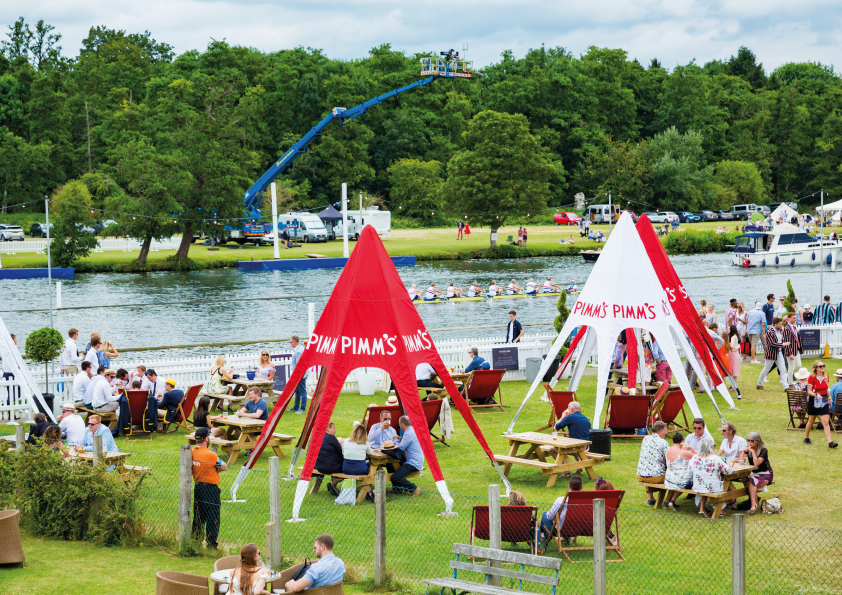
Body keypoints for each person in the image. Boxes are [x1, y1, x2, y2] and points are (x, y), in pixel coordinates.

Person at [191, 427, 227, 548]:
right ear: (206, 439)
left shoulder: (192, 452)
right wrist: (217, 468)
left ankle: (195, 541)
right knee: (213, 517)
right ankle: (212, 544)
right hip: (211, 489)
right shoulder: (211, 455)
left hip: (198, 487)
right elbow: (224, 466)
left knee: (198, 515)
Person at [690, 437, 732, 517]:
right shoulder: (715, 458)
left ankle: (702, 508)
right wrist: (731, 463)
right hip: (713, 488)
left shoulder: (694, 458)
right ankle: (719, 509)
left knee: (705, 485)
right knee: (712, 485)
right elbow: (728, 471)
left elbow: (689, 473)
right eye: (714, 445)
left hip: (698, 487)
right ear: (711, 447)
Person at [804, 360, 838, 448]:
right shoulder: (811, 377)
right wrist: (816, 394)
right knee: (811, 421)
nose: (822, 367)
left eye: (823, 366)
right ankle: (806, 438)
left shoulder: (826, 376)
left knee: (825, 422)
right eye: (820, 366)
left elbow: (826, 389)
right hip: (814, 400)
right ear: (815, 368)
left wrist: (830, 399)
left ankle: (830, 443)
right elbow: (809, 391)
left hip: (824, 400)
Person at [540, 475, 582, 543]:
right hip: (579, 529)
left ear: (569, 486)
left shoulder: (561, 500)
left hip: (561, 530)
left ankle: (544, 536)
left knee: (545, 514)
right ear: (582, 487)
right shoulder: (587, 501)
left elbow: (550, 517)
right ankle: (544, 536)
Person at [738, 432, 772, 515]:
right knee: (748, 481)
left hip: (766, 474)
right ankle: (754, 503)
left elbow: (757, 464)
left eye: (752, 441)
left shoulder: (763, 450)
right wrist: (743, 452)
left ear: (757, 441)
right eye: (748, 440)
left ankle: (753, 505)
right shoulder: (748, 448)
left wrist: (753, 452)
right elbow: (741, 462)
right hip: (755, 474)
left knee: (751, 482)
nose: (750, 442)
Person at [637, 421, 669, 506]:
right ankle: (668, 501)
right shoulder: (663, 442)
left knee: (649, 467)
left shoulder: (645, 438)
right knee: (674, 476)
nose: (666, 433)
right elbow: (670, 459)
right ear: (661, 431)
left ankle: (650, 499)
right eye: (665, 430)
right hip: (656, 478)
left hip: (640, 476)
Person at [390, 416, 424, 495]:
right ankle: (397, 489)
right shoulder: (412, 430)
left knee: (395, 477)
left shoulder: (408, 433)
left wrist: (395, 440)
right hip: (417, 460)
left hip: (413, 462)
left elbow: (401, 447)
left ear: (402, 424)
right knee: (392, 467)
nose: (399, 425)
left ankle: (414, 489)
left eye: (399, 424)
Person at [663, 432, 695, 510]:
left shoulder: (667, 450)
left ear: (672, 441)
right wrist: (691, 447)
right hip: (680, 480)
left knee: (679, 482)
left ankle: (669, 502)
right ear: (682, 442)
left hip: (668, 479)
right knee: (689, 482)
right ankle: (671, 501)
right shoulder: (684, 453)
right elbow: (699, 456)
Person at [756, 317, 789, 391]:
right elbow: (772, 344)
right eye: (780, 324)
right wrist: (784, 344)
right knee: (766, 369)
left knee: (783, 370)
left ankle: (786, 387)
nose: (781, 325)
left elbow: (780, 340)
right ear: (775, 324)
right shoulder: (770, 332)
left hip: (779, 352)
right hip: (771, 354)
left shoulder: (779, 331)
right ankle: (759, 384)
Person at [317, 422, 345, 495]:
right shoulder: (331, 437)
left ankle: (334, 488)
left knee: (333, 462)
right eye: (333, 428)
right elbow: (341, 453)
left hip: (319, 466)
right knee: (349, 468)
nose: (335, 430)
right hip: (330, 467)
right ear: (327, 430)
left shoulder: (320, 438)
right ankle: (332, 484)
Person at [782, 311, 803, 386]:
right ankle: (790, 383)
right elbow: (786, 341)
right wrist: (789, 353)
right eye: (793, 318)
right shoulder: (787, 328)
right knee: (791, 366)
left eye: (795, 318)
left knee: (798, 366)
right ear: (788, 319)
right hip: (790, 350)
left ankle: (785, 377)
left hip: (796, 349)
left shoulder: (794, 327)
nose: (795, 319)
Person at [290, 335, 309, 413]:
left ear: (294, 342)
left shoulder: (298, 351)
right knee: (297, 391)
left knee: (302, 391)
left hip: (300, 375)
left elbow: (299, 365)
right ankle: (296, 407)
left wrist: (298, 376)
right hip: (300, 374)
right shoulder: (300, 349)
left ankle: (302, 408)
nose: (290, 344)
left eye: (290, 342)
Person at [2, 333, 19, 404]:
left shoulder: (5, 349)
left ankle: (9, 413)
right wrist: (18, 378)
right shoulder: (11, 351)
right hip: (11, 374)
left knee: (11, 395)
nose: (16, 340)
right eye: (15, 338)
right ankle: (3, 406)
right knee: (16, 395)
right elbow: (14, 364)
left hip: (7, 373)